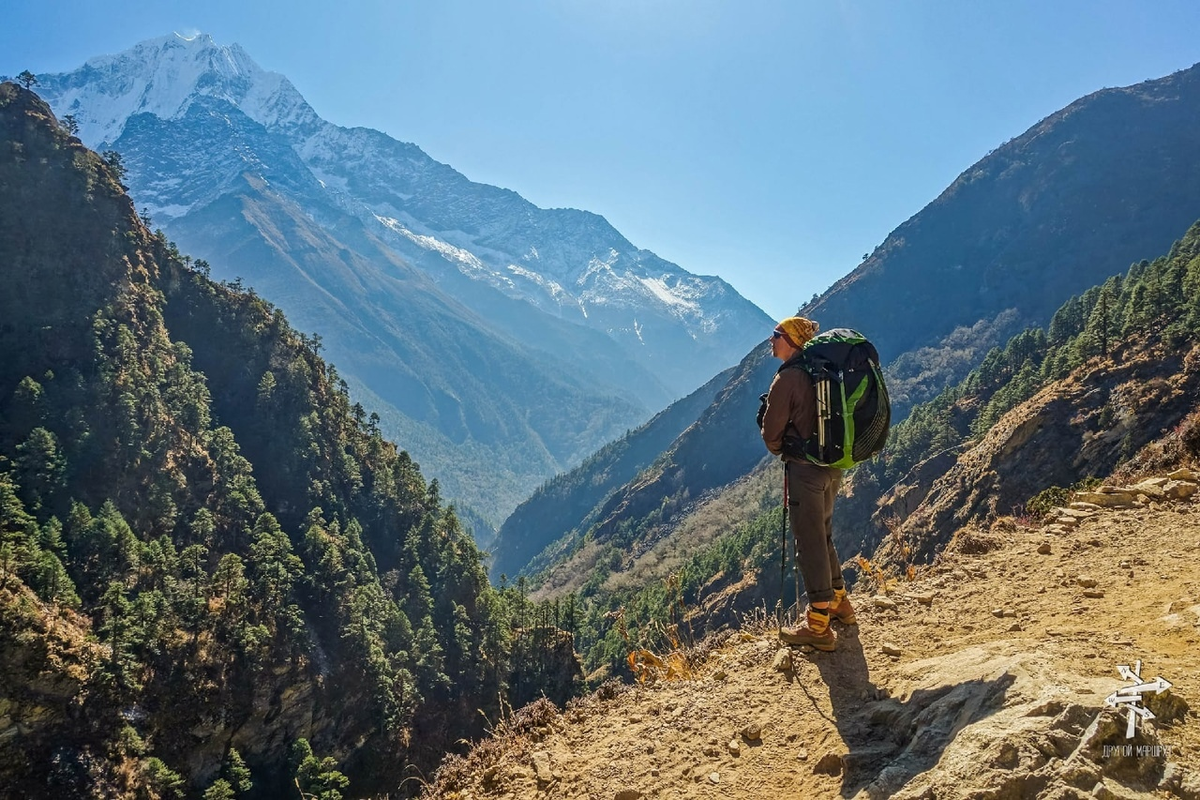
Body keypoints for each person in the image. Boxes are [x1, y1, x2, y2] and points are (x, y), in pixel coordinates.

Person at [759, 316, 855, 651]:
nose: (771, 340)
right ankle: (840, 603)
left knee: (809, 544)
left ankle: (817, 627)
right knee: (823, 534)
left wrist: (781, 447)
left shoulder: (788, 378)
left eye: (776, 335)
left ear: (791, 340)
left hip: (804, 471)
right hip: (832, 467)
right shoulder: (821, 373)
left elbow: (771, 434)